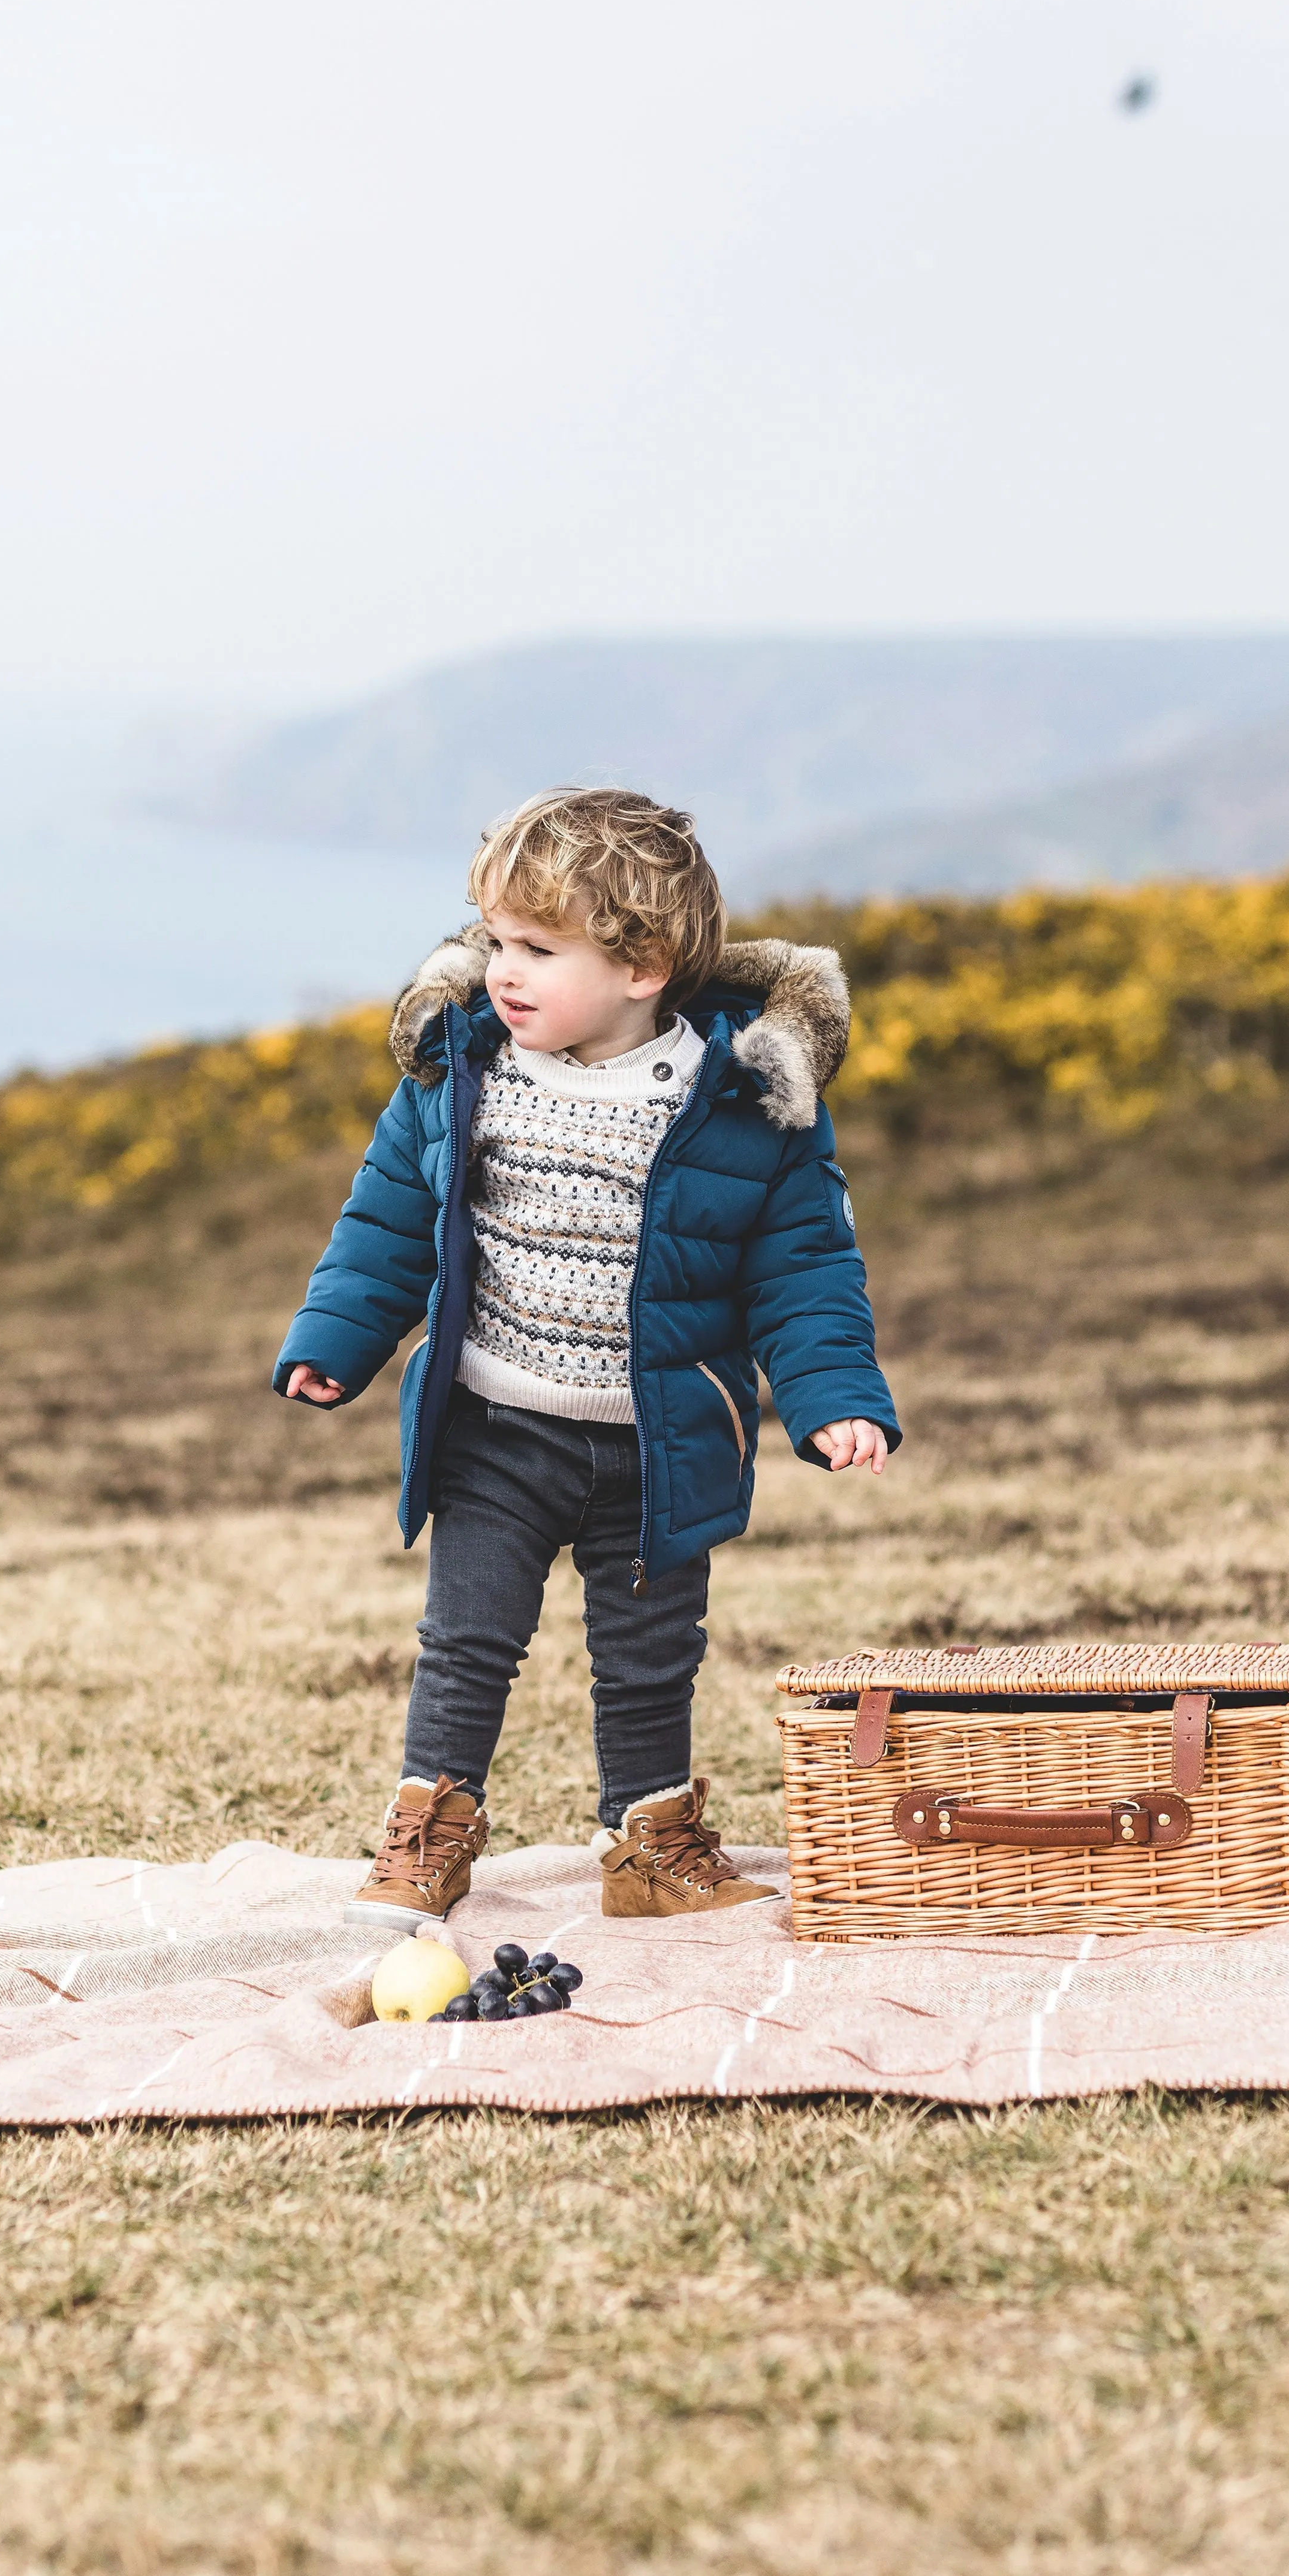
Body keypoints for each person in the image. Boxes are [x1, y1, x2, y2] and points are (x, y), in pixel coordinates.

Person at [275, 785, 900, 1928]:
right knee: (467, 1641)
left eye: (537, 948)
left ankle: (650, 1841)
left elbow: (804, 1269)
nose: (498, 970)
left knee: (652, 1656)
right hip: (493, 1426)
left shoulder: (745, 1100)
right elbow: (384, 1223)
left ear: (644, 963)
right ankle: (430, 1828)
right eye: (496, 939)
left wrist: (832, 1398)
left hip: (660, 1443)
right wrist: (337, 1340)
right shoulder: (461, 1070)